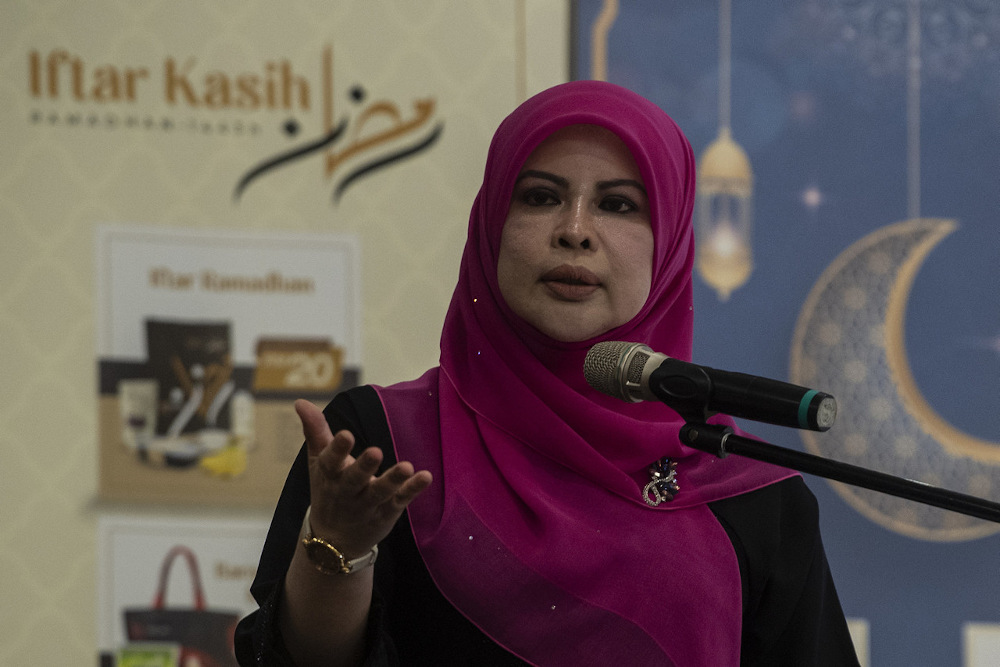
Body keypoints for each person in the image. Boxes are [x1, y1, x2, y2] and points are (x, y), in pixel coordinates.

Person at [235, 80, 860, 666]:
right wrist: (340, 547)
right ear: (492, 225)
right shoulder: (385, 444)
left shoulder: (753, 495)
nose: (575, 231)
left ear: (668, 242)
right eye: (540, 197)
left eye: (617, 204)